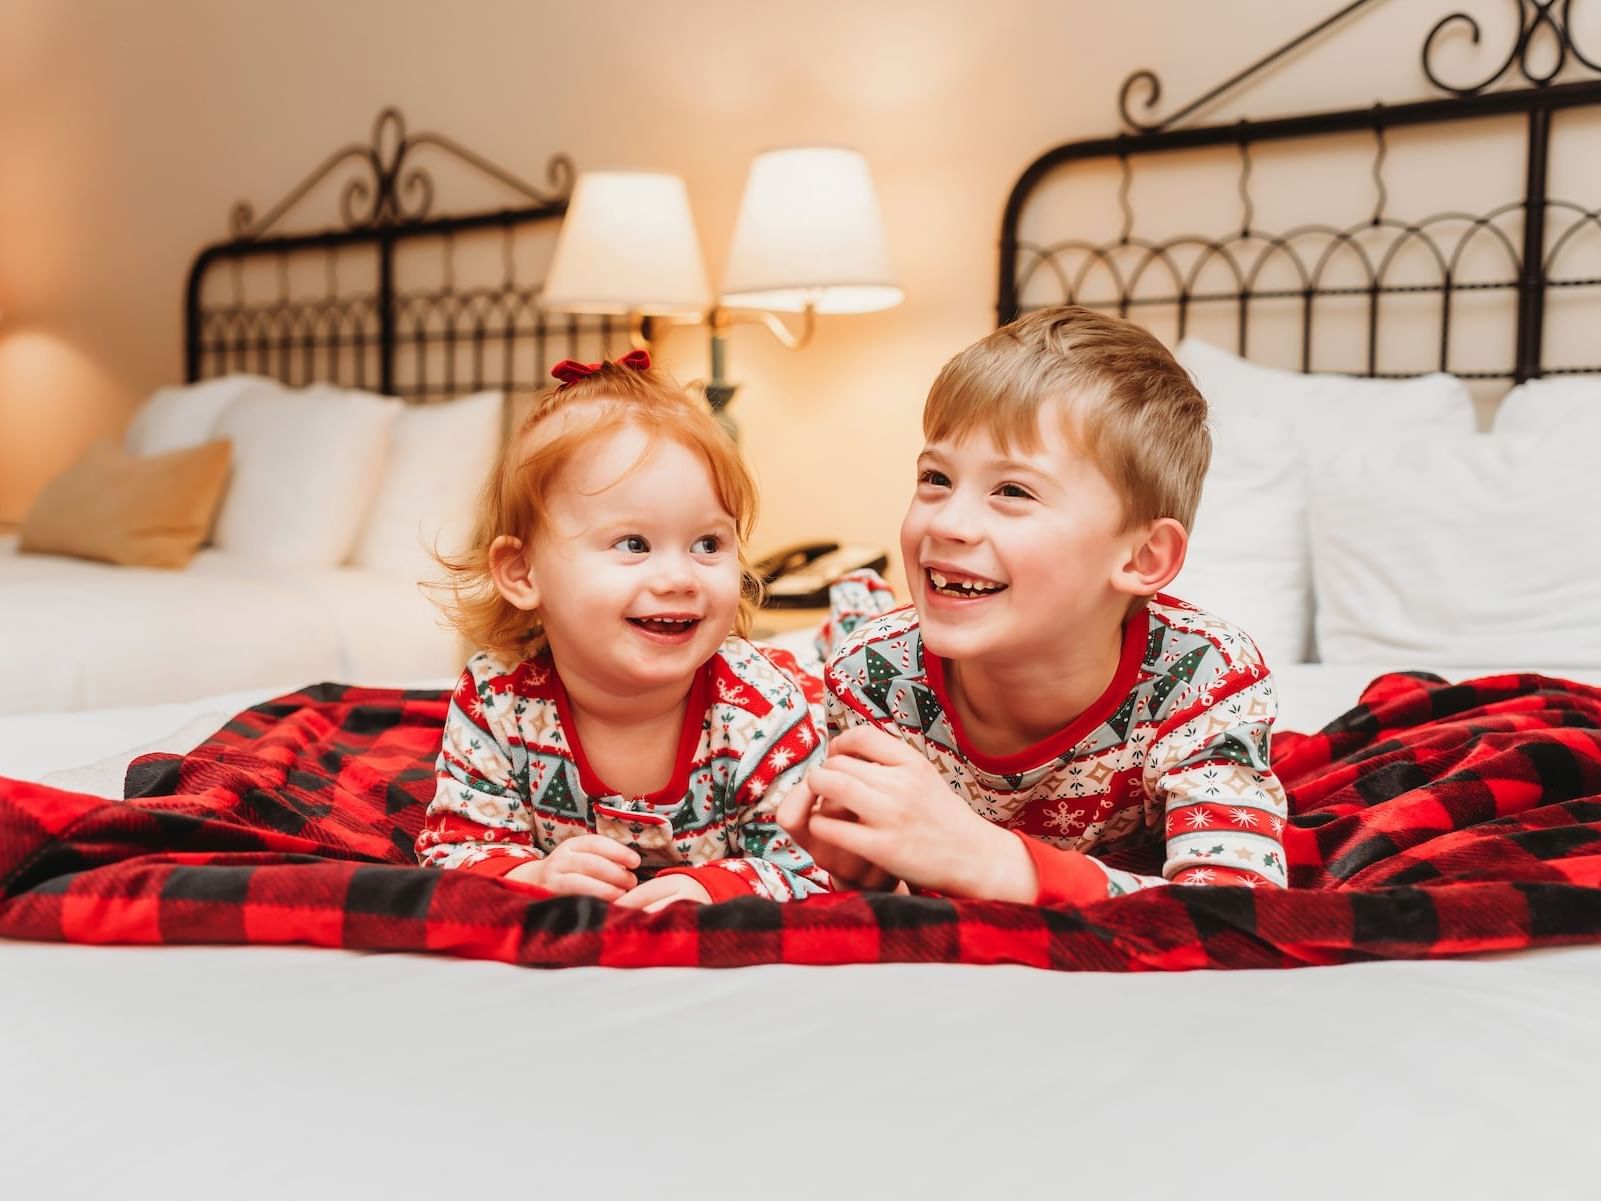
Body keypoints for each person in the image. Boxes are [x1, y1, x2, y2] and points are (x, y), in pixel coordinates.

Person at [777, 307, 1289, 905]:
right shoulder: (874, 676)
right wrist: (864, 874)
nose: (948, 521)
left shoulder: (1204, 679)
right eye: (936, 479)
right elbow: (860, 871)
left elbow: (1237, 909)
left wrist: (995, 862)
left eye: (1012, 491)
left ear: (1144, 557)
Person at [417, 350, 829, 910]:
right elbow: (454, 850)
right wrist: (532, 878)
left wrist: (712, 885)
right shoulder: (497, 697)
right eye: (633, 544)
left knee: (836, 683)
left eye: (708, 544)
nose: (679, 577)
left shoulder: (760, 711)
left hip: (797, 695)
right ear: (522, 573)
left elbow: (815, 867)